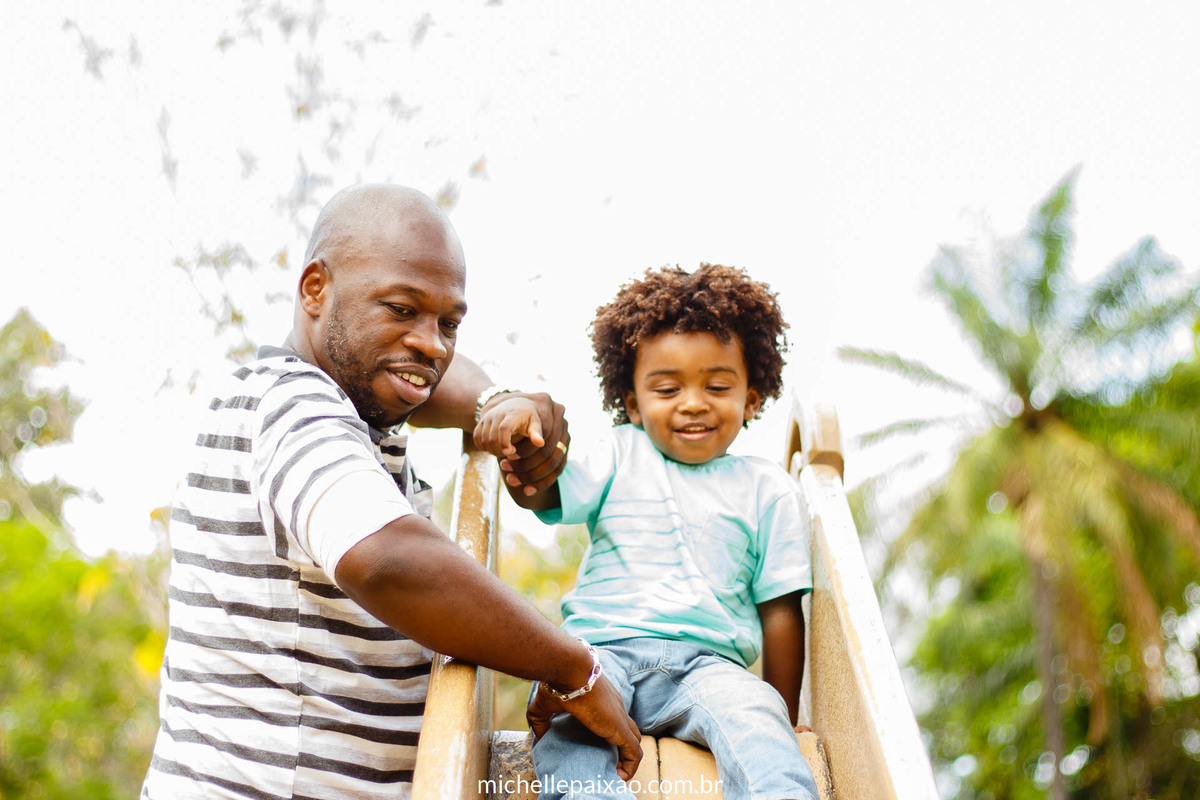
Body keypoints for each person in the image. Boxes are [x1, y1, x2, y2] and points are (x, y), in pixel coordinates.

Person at [141, 184, 641, 800]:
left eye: (449, 322)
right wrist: (573, 668)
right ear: (316, 290)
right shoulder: (293, 406)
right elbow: (386, 560)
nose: (432, 342)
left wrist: (495, 402)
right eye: (401, 309)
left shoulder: (354, 411)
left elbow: (438, 379)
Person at [476, 264, 819, 799]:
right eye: (666, 388)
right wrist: (525, 439)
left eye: (718, 385)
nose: (692, 402)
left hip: (709, 667)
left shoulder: (766, 488)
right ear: (633, 402)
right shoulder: (620, 452)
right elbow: (545, 491)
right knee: (570, 726)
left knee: (755, 716)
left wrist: (784, 712)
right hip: (598, 656)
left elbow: (780, 610)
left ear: (751, 397)